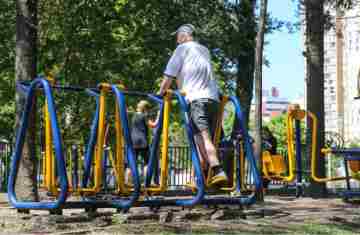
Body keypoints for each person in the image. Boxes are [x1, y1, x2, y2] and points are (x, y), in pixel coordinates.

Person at [158, 23, 227, 186]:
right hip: (214, 100)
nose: (176, 41)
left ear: (183, 36)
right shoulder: (204, 50)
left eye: (177, 38)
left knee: (204, 138)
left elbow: (168, 76)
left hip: (197, 99)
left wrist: (160, 94)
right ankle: (199, 179)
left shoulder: (182, 49)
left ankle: (218, 170)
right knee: (199, 139)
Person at [127, 100, 151, 184]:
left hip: (133, 141)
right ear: (145, 108)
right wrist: (159, 117)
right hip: (142, 141)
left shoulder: (133, 115)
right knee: (147, 162)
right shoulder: (144, 116)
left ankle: (128, 183)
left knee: (131, 162)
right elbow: (153, 124)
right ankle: (147, 183)